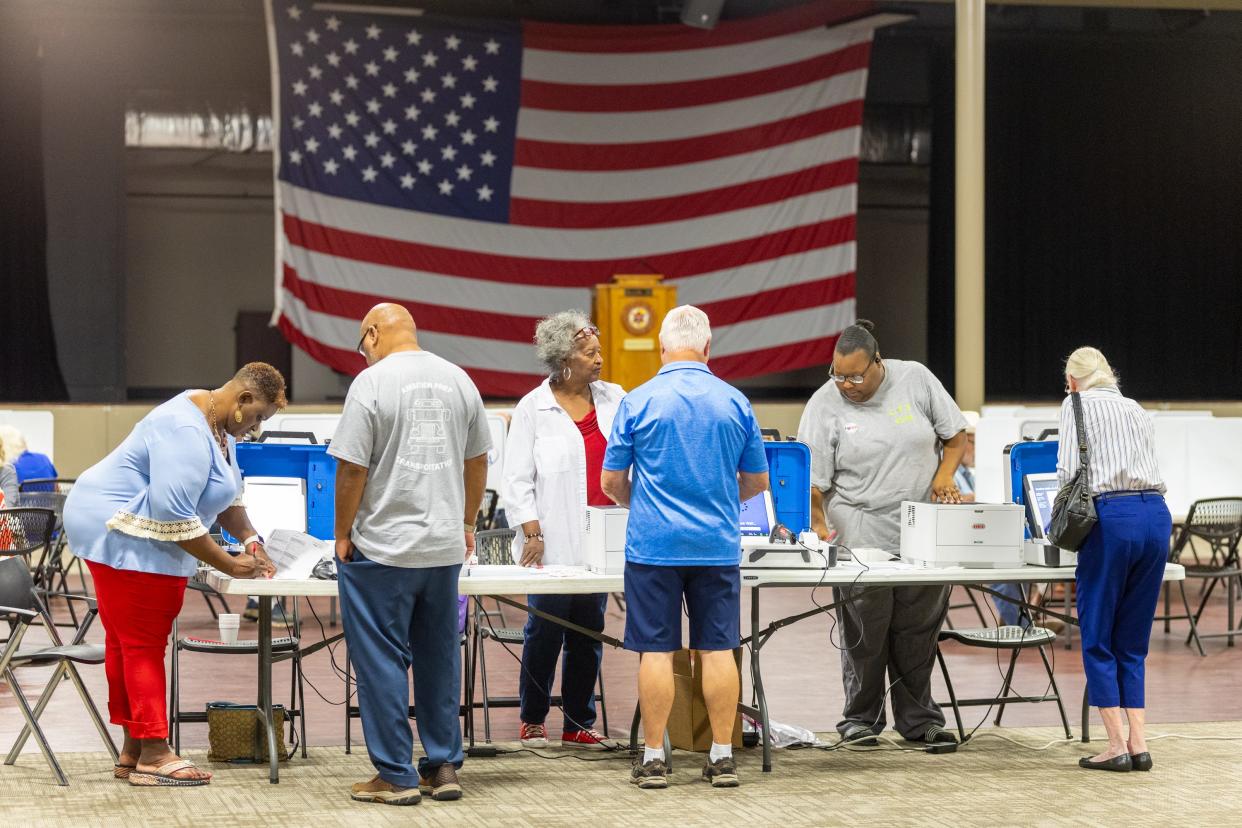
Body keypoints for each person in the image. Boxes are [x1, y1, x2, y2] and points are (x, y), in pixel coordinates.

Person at [62, 364, 283, 786]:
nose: (255, 429)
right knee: (142, 641)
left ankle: (134, 749)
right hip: (117, 528)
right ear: (243, 401)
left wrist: (252, 540)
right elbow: (173, 513)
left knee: (128, 642)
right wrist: (229, 564)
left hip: (126, 527)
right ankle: (154, 751)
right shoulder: (183, 426)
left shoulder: (220, 428)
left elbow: (225, 498)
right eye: (258, 418)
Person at [601, 305, 768, 790]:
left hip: (653, 547)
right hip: (715, 546)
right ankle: (721, 758)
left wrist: (644, 503)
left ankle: (654, 759)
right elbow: (757, 480)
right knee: (718, 649)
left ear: (661, 348)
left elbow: (612, 480)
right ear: (708, 347)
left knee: (655, 650)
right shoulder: (735, 402)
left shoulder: (639, 401)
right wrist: (719, 500)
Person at [332, 304, 491, 807]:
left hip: (383, 549)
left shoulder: (372, 384)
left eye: (363, 346)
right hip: (443, 549)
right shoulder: (459, 379)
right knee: (439, 656)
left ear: (373, 334)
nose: (364, 356)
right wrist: (466, 523)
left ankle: (396, 775)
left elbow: (352, 469)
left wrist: (341, 534)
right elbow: (478, 460)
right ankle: (443, 767)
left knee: (380, 661)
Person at [798, 320, 967, 748]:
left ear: (878, 362)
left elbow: (955, 435)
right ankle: (860, 719)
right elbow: (811, 481)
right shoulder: (824, 404)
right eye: (837, 375)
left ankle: (919, 720)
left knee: (917, 632)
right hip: (859, 530)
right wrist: (818, 521)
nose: (846, 385)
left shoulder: (915, 378)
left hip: (922, 531)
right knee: (864, 633)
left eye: (855, 375)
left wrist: (945, 475)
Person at [502, 311, 625, 750]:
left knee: (589, 631)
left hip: (602, 537)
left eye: (598, 351)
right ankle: (532, 717)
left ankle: (578, 721)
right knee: (545, 629)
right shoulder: (533, 408)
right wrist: (532, 533)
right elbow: (515, 478)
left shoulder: (616, 399)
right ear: (563, 358)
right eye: (589, 353)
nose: (599, 359)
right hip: (550, 540)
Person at [1060, 348, 1169, 774]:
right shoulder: (1136, 407)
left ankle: (1115, 745)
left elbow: (1068, 469)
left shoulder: (1075, 405)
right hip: (1155, 516)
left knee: (1098, 632)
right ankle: (1139, 744)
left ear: (1072, 380)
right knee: (1133, 639)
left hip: (1112, 518)